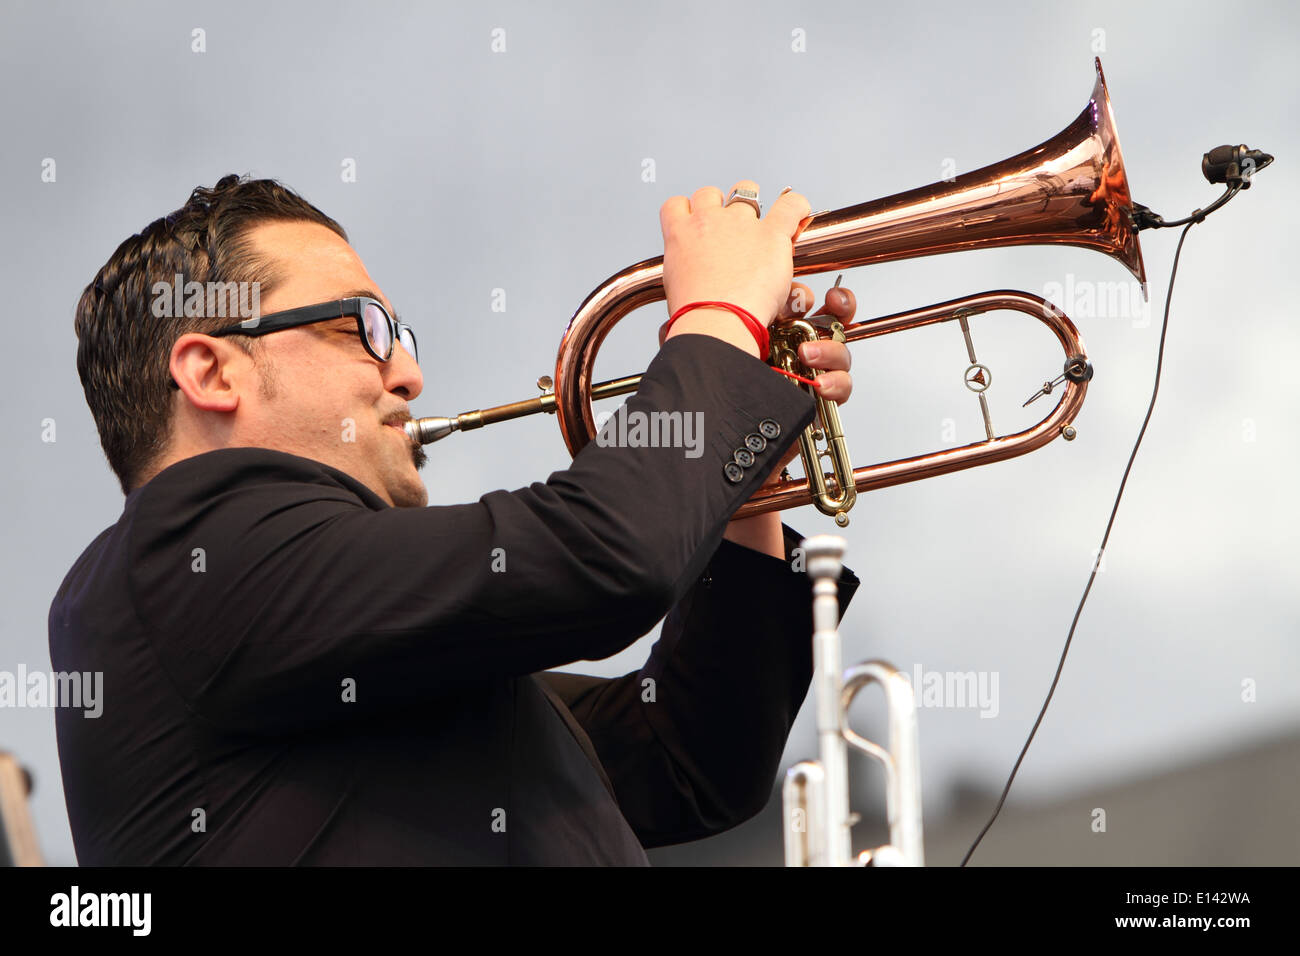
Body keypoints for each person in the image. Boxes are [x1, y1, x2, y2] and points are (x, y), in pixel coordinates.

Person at [49, 174, 861, 864]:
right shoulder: (189, 555)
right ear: (213, 370)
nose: (408, 373)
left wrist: (744, 463)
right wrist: (717, 325)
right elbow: (603, 556)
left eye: (398, 334)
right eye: (361, 327)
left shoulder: (349, 646)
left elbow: (691, 757)